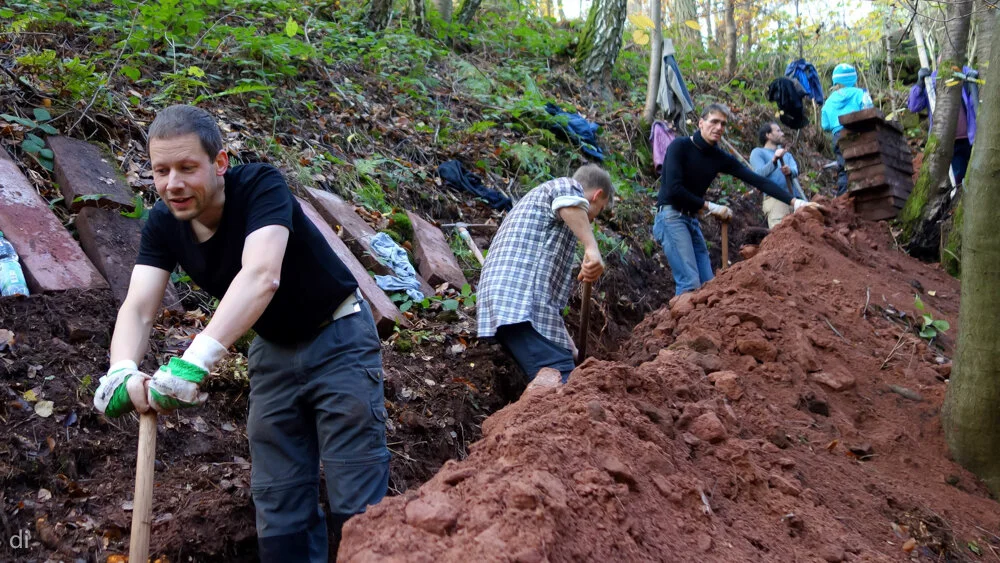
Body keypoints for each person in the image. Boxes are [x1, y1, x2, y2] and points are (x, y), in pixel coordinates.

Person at [92, 105, 388, 562]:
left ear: (220, 163)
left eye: (188, 168)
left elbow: (261, 276)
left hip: (339, 337)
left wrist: (195, 360)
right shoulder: (163, 224)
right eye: (161, 170)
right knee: (279, 497)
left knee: (357, 499)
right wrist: (120, 370)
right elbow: (138, 307)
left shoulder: (260, 187)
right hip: (272, 353)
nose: (174, 184)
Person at [654, 104, 816, 295]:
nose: (719, 127)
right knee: (689, 283)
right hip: (671, 217)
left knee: (708, 284)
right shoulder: (680, 146)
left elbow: (757, 180)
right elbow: (673, 190)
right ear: (701, 123)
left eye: (723, 124)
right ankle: (685, 324)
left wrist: (795, 202)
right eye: (714, 121)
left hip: (691, 219)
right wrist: (710, 206)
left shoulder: (718, 157)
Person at [477, 164, 611, 389]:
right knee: (561, 380)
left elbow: (547, 309)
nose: (595, 219)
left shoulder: (550, 224)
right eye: (600, 208)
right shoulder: (566, 186)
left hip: (520, 306)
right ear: (597, 195)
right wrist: (591, 247)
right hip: (516, 303)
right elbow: (568, 200)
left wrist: (571, 350)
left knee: (562, 365)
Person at [908, 64, 979, 185]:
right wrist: (920, 83)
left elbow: (976, 103)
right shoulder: (932, 80)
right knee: (956, 178)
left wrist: (973, 79)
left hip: (970, 139)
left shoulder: (965, 75)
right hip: (946, 142)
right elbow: (914, 106)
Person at [821, 63, 874, 196]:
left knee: (844, 167)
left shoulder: (828, 101)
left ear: (835, 80)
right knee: (865, 163)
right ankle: (867, 195)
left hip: (839, 136)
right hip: (859, 132)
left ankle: (843, 197)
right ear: (854, 79)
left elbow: (825, 125)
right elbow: (869, 111)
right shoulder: (860, 93)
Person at [750, 121, 807, 228]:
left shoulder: (787, 155)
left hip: (795, 199)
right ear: (768, 135)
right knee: (782, 233)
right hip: (776, 200)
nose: (782, 133)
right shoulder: (758, 152)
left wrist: (790, 171)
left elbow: (795, 170)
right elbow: (758, 175)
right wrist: (774, 160)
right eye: (778, 131)